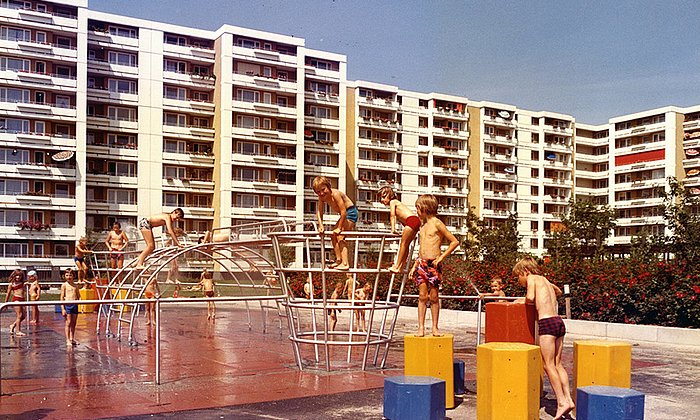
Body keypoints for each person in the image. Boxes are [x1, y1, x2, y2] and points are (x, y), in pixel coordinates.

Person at [513, 256, 574, 420]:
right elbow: (558, 291)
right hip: (559, 321)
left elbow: (530, 298)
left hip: (546, 322)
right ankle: (568, 398)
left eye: (519, 277)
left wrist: (522, 300)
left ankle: (561, 402)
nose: (520, 281)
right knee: (558, 363)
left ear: (525, 271)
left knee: (547, 365)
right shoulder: (545, 280)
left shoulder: (532, 278)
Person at [408, 194, 459, 337]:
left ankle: (435, 327)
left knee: (434, 296)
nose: (416, 211)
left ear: (425, 208)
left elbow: (454, 241)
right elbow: (421, 249)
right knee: (422, 296)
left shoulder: (437, 223)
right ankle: (421, 327)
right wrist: (414, 265)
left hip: (433, 264)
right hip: (421, 263)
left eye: (418, 208)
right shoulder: (422, 226)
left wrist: (441, 257)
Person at [312, 176, 357, 270]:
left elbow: (343, 211)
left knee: (340, 236)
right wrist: (320, 226)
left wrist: (339, 227)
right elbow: (319, 212)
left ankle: (345, 263)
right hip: (344, 214)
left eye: (323, 189)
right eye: (318, 192)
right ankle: (338, 260)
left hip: (350, 212)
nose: (321, 193)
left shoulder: (335, 194)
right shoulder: (321, 197)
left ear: (328, 186)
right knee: (332, 235)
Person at [378, 186, 421, 274]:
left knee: (403, 244)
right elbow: (403, 219)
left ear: (389, 195)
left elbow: (392, 215)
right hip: (414, 221)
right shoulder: (398, 203)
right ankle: (401, 266)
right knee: (406, 245)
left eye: (383, 197)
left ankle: (396, 265)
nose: (382, 200)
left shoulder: (393, 202)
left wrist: (393, 229)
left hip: (412, 221)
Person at [60, 268, 80, 347]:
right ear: (64, 276)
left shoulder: (75, 285)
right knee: (68, 322)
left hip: (75, 305)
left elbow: (78, 296)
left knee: (74, 323)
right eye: (67, 275)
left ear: (73, 276)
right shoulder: (64, 285)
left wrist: (81, 304)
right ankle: (67, 339)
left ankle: (72, 338)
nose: (69, 277)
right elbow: (61, 297)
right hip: (68, 305)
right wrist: (63, 308)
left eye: (70, 275)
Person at [5, 269, 26, 336]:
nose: (18, 277)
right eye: (17, 275)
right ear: (14, 275)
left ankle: (13, 325)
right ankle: (18, 331)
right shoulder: (11, 284)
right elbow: (8, 294)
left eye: (19, 275)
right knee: (19, 315)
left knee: (23, 316)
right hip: (16, 299)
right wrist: (6, 303)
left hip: (22, 299)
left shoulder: (23, 283)